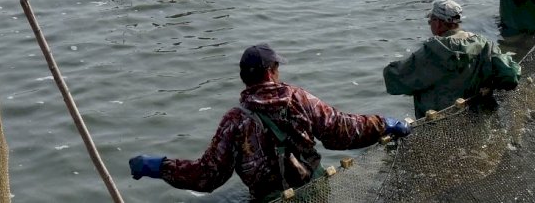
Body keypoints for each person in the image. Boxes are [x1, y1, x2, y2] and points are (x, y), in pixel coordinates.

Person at [128, 44, 411, 202]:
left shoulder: (234, 120)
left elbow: (208, 176)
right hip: (313, 192)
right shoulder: (299, 98)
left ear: (244, 77)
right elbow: (342, 130)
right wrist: (383, 123)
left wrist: (159, 167)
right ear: (271, 72)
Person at [384, 0, 520, 119]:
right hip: (477, 119)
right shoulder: (484, 45)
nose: (430, 24)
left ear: (438, 23)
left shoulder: (432, 51)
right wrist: (487, 83)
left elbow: (396, 80)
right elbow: (511, 75)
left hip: (439, 124)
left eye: (430, 20)